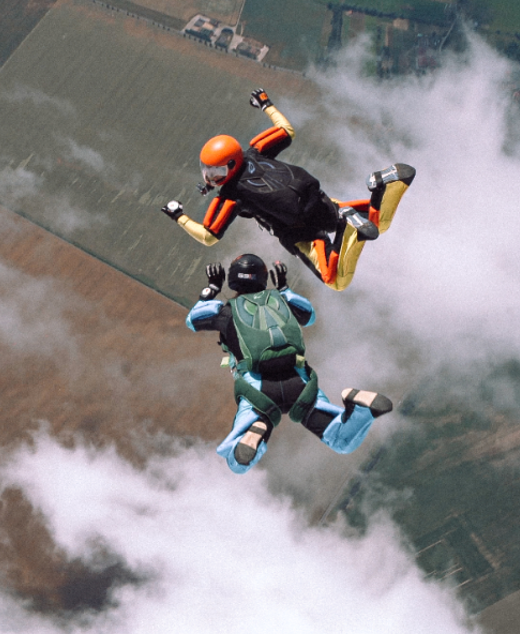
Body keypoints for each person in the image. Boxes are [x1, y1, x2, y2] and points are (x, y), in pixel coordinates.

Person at [161, 88, 414, 291]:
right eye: (208, 171)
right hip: (320, 201)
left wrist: (178, 216)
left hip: (301, 232)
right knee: (377, 222)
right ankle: (381, 188)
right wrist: (266, 104)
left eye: (216, 172)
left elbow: (208, 235)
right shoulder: (255, 152)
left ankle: (348, 232)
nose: (211, 177)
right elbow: (286, 130)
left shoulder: (231, 196)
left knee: (336, 281)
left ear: (230, 165)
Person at [186, 252, 393, 474]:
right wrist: (284, 288)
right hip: (300, 383)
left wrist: (211, 289)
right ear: (263, 278)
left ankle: (256, 428)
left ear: (233, 279)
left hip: (257, 387)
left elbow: (193, 320)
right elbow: (309, 315)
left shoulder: (225, 312)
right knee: (341, 440)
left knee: (237, 463)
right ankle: (360, 408)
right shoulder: (283, 302)